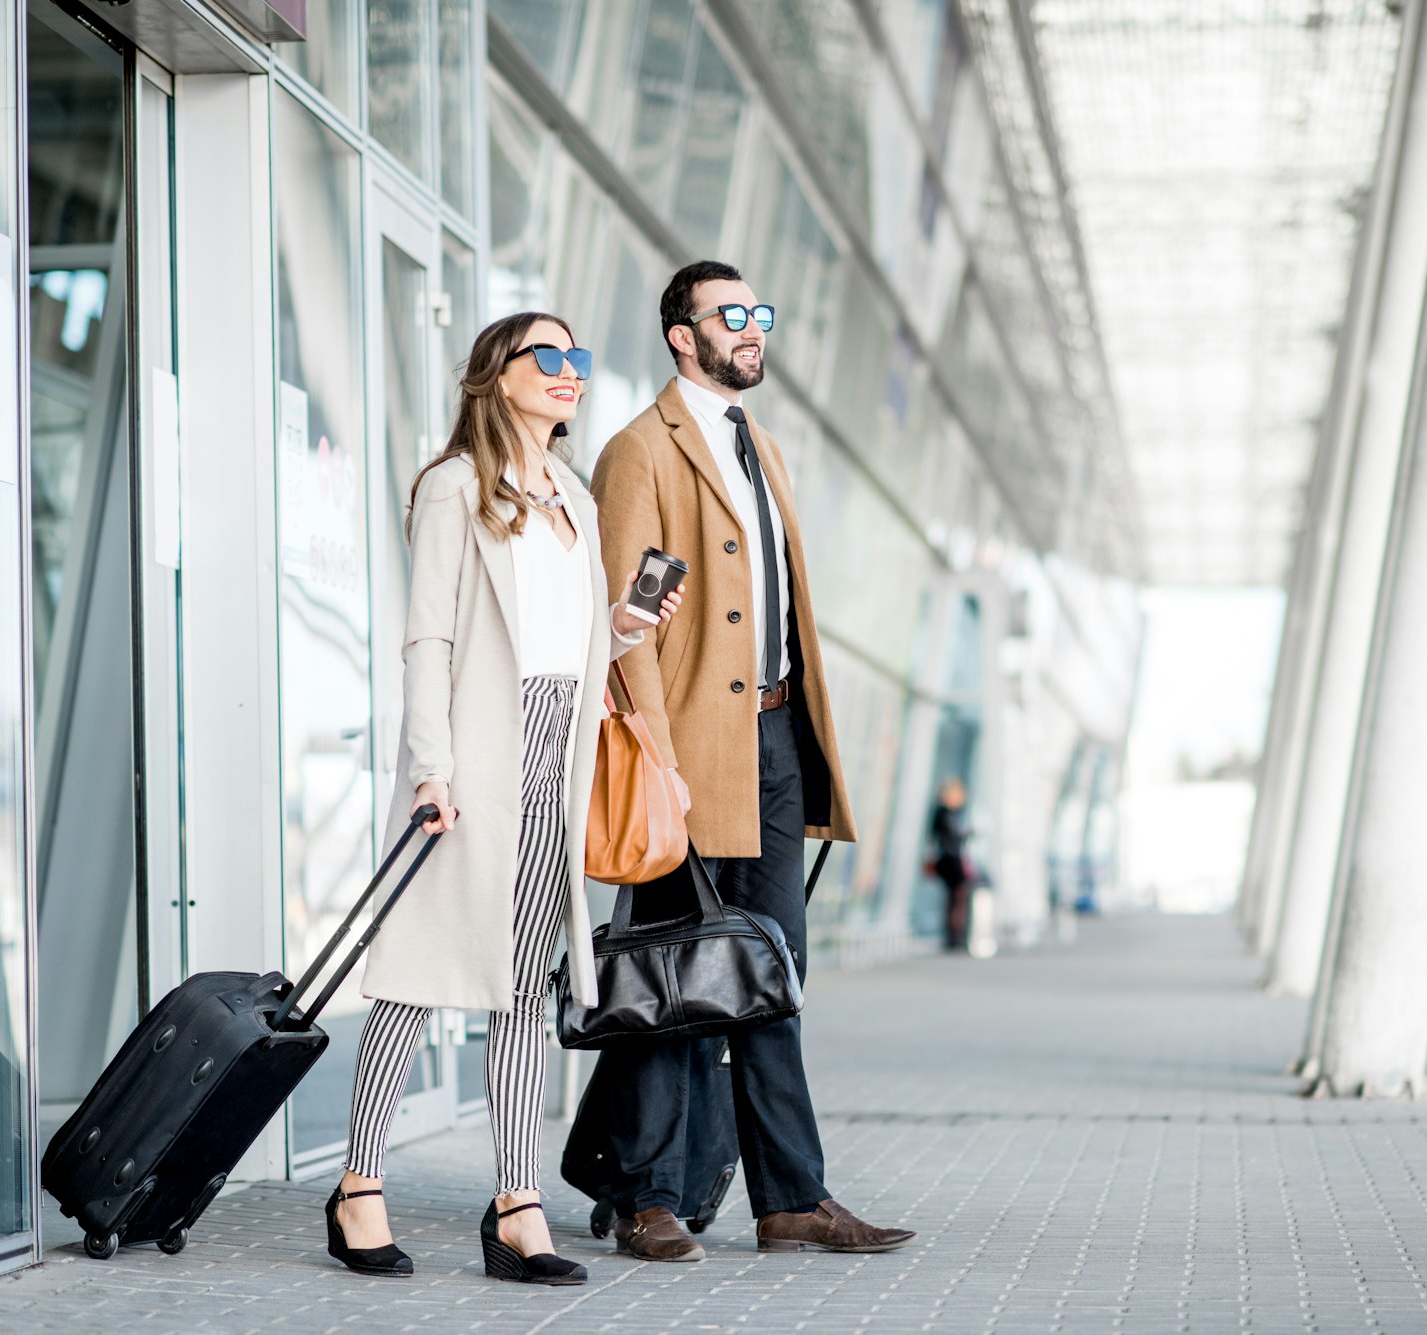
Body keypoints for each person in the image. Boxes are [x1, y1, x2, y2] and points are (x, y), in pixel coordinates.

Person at [324, 312, 682, 1286]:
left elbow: (572, 644)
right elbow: (428, 637)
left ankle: (516, 1202)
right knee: (415, 976)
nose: (569, 374)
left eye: (578, 360)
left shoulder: (572, 494)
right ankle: (358, 1185)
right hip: (475, 751)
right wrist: (429, 768)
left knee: (527, 985)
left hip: (556, 754)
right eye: (547, 357)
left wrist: (624, 622)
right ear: (496, 374)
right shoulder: (453, 488)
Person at [568, 259, 916, 1261]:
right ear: (682, 334)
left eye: (759, 313)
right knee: (672, 971)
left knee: (771, 972)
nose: (751, 329)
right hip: (685, 748)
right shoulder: (640, 451)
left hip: (768, 740)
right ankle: (647, 1197)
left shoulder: (760, 444)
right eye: (732, 315)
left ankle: (790, 1199)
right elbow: (621, 627)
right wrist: (654, 757)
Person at [929, 779, 972, 951]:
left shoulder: (944, 813)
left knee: (954, 898)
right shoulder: (945, 813)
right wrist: (967, 833)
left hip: (948, 860)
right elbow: (952, 836)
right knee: (958, 897)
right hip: (951, 861)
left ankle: (953, 936)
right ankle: (954, 937)